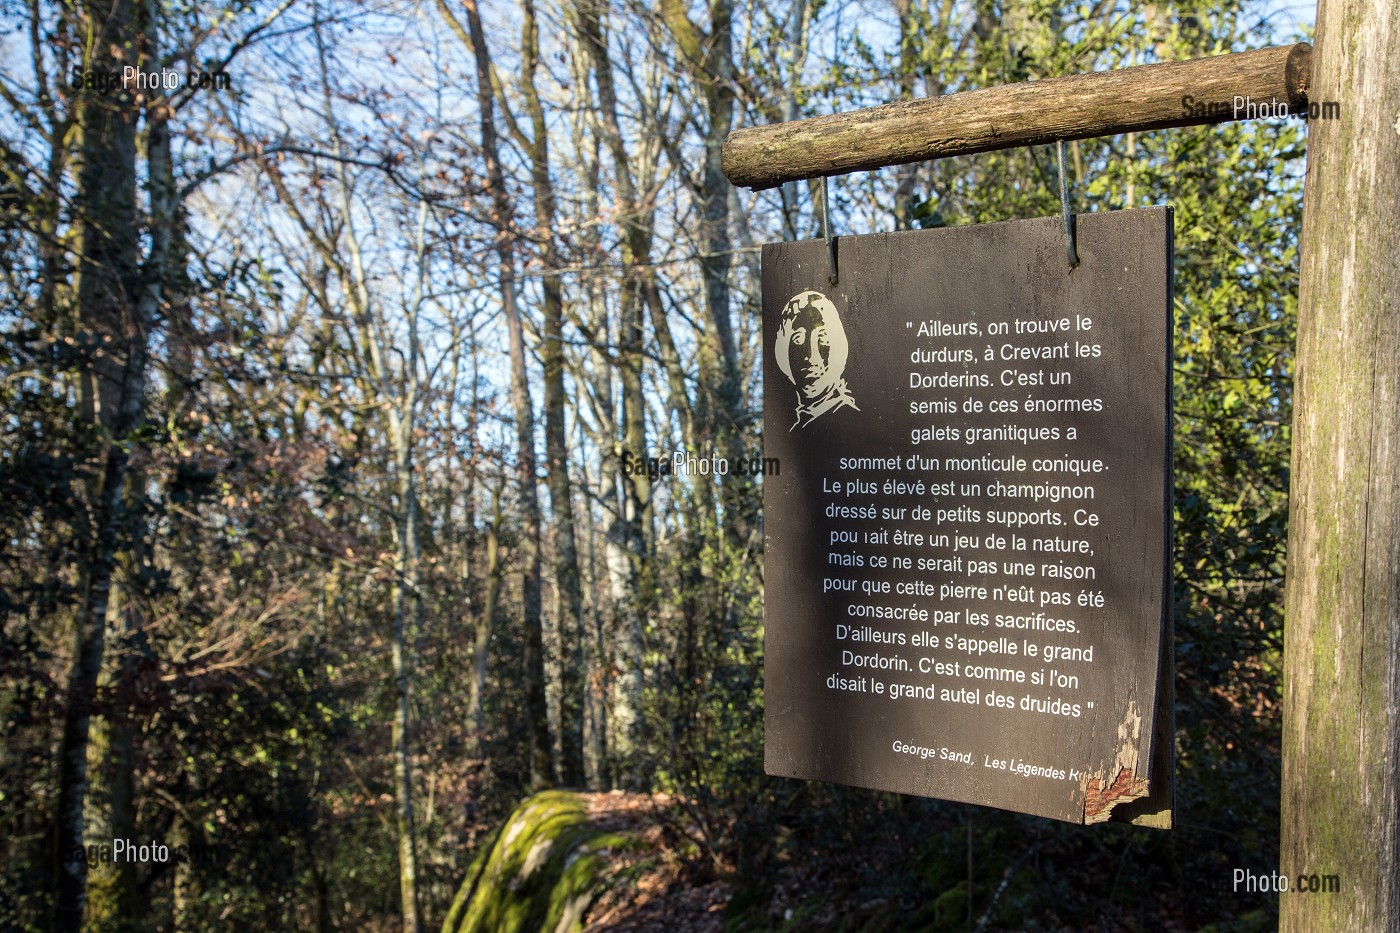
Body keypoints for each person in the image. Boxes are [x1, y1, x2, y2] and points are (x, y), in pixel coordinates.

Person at [775, 289, 859, 430]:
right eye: (798, 339)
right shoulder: (795, 430)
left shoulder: (852, 422)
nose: (811, 357)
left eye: (822, 338)